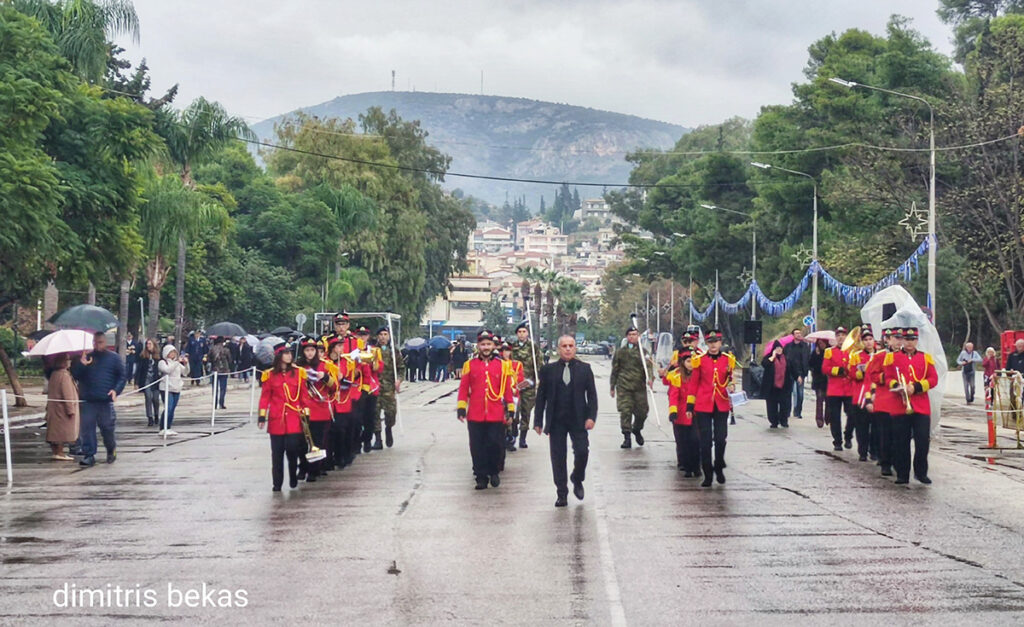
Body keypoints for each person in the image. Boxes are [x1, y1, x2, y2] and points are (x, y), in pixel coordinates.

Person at [532, 335, 597, 507]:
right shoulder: (548, 370)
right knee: (558, 457)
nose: (568, 349)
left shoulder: (585, 369)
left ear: (575, 348)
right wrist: (538, 420)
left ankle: (577, 477)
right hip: (556, 420)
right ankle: (562, 492)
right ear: (559, 349)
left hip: (578, 419)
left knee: (582, 451)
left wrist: (591, 417)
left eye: (571, 346)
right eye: (564, 346)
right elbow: (541, 397)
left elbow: (592, 396)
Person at [457, 330, 514, 490]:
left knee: (495, 445)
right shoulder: (470, 365)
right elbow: (463, 388)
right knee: (477, 446)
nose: (486, 347)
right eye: (483, 344)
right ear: (478, 346)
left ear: (493, 346)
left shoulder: (502, 365)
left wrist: (510, 409)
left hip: (496, 414)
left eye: (488, 344)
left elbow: (507, 390)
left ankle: (494, 471)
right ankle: (480, 477)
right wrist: (461, 408)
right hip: (475, 413)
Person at [883, 327, 938, 485]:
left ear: (917, 340)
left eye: (912, 340)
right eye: (907, 340)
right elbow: (888, 378)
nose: (909, 343)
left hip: (920, 405)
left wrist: (916, 387)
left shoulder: (925, 358)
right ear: (902, 340)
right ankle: (902, 473)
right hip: (900, 404)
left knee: (922, 441)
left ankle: (920, 472)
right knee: (901, 441)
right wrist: (898, 386)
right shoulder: (892, 357)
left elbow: (933, 379)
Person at [258, 342, 311, 492]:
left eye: (290, 353)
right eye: (286, 353)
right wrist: (262, 416)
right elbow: (265, 398)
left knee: (292, 450)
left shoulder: (299, 373)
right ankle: (277, 483)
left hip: (294, 418)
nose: (289, 356)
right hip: (277, 420)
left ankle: (293, 475)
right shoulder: (269, 375)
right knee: (277, 454)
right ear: (279, 356)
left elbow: (304, 396)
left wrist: (306, 415)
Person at [688, 329, 735, 487]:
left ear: (720, 343)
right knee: (705, 441)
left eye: (716, 342)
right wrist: (690, 405)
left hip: (721, 403)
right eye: (710, 342)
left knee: (721, 439)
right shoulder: (699, 360)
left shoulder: (728, 360)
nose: (713, 345)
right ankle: (707, 473)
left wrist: (731, 385)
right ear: (706, 344)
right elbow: (694, 383)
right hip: (703, 404)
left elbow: (730, 378)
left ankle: (719, 466)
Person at [70, 332, 125, 467]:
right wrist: (82, 364)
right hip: (88, 399)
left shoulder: (114, 358)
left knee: (107, 428)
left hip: (105, 400)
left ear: (105, 342)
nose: (97, 345)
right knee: (87, 429)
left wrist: (116, 390)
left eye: (100, 342)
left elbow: (122, 376)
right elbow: (75, 375)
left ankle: (111, 449)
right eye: (95, 342)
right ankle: (89, 454)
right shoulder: (86, 357)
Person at [296, 337, 336, 482]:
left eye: (312, 350)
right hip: (303, 408)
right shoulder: (297, 367)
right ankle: (303, 466)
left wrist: (324, 377)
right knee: (301, 442)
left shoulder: (325, 366)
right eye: (307, 350)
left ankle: (313, 470)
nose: (310, 353)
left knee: (318, 442)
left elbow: (334, 387)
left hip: (319, 408)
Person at [610, 327, 654, 449]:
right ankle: (627, 437)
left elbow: (649, 367)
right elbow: (615, 370)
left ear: (638, 336)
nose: (632, 337)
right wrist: (612, 386)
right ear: (626, 336)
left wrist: (650, 379)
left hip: (639, 387)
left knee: (642, 413)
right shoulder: (620, 352)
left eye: (635, 334)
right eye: (630, 334)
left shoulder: (643, 352)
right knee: (625, 412)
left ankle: (637, 429)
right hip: (624, 387)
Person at [865, 328, 901, 476]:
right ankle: (885, 462)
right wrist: (890, 379)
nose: (898, 341)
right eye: (895, 337)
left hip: (901, 401)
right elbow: (873, 375)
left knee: (899, 436)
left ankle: (898, 462)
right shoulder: (880, 356)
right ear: (887, 339)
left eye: (900, 338)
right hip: (885, 400)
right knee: (885, 434)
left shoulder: (906, 356)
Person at [847, 326, 879, 462]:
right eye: (865, 340)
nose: (868, 342)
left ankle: (874, 450)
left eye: (870, 339)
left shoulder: (881, 355)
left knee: (876, 426)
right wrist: (862, 372)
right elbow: (851, 373)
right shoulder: (856, 356)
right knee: (862, 426)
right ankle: (863, 451)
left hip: (877, 394)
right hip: (860, 394)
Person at [667, 348, 700, 476]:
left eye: (693, 361)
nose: (691, 364)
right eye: (688, 361)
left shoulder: (700, 376)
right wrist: (673, 411)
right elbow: (674, 396)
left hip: (697, 413)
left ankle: (696, 466)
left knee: (696, 440)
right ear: (683, 362)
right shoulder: (677, 377)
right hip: (681, 414)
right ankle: (687, 467)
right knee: (684, 442)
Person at [511, 322, 543, 450]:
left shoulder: (533, 347)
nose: (522, 334)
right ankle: (513, 435)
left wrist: (541, 379)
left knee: (526, 412)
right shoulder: (512, 347)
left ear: (528, 333)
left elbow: (539, 364)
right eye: (519, 332)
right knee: (514, 412)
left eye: (524, 332)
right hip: (515, 385)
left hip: (529, 385)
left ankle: (523, 438)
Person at [822, 326, 854, 452]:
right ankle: (837, 441)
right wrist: (837, 370)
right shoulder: (829, 351)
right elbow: (825, 368)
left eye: (843, 335)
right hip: (834, 389)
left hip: (849, 389)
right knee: (835, 417)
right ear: (835, 338)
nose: (841, 337)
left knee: (852, 415)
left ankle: (848, 435)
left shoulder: (852, 351)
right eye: (838, 335)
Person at [45, 354, 79, 461]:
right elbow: (67, 394)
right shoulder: (64, 376)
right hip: (62, 410)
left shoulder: (54, 374)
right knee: (61, 432)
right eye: (68, 359)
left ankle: (56, 451)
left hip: (54, 408)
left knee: (55, 431)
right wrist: (71, 410)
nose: (69, 361)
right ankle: (60, 452)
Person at [376, 327, 404, 449]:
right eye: (380, 334)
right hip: (375, 387)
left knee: (390, 412)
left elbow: (401, 368)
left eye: (385, 334)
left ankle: (388, 428)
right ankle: (377, 439)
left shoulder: (394, 351)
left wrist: (399, 380)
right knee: (374, 413)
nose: (383, 337)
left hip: (389, 387)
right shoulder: (373, 350)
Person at [760, 340, 794, 428]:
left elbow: (791, 369)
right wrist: (772, 357)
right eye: (777, 348)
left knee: (784, 404)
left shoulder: (786, 358)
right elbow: (764, 364)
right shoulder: (769, 357)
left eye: (780, 348)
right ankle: (774, 421)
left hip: (784, 385)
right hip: (771, 386)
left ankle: (784, 420)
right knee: (772, 405)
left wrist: (798, 376)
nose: (779, 350)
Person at [157, 345, 188, 435]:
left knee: (173, 409)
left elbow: (185, 372)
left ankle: (169, 426)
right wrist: (177, 362)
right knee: (168, 408)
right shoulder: (163, 362)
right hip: (166, 388)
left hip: (176, 388)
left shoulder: (176, 363)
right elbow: (167, 370)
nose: (173, 354)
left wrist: (186, 364)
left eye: (174, 352)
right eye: (171, 352)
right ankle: (163, 427)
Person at [783, 328, 810, 420]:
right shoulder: (788, 347)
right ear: (793, 335)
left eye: (800, 333)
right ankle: (787, 411)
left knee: (800, 393)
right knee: (790, 393)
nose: (799, 334)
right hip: (790, 372)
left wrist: (805, 371)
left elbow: (807, 359)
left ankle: (798, 411)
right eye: (797, 333)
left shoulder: (805, 346)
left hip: (801, 373)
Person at [135, 338, 162, 427]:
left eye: (150, 344)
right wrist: (137, 382)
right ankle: (150, 417)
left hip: (155, 379)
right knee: (148, 397)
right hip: (146, 378)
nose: (148, 346)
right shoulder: (143, 356)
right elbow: (139, 369)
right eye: (147, 344)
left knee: (155, 399)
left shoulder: (158, 356)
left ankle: (156, 415)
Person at [808, 339, 830, 429]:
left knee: (829, 400)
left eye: (823, 343)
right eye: (820, 343)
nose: (822, 345)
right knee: (819, 399)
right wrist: (816, 356)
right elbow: (810, 364)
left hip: (828, 380)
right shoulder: (815, 352)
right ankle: (819, 419)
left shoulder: (829, 352)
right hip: (818, 379)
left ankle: (828, 417)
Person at [207, 336, 232, 410]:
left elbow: (209, 359)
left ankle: (214, 403)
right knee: (223, 388)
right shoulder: (226, 350)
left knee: (215, 388)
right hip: (224, 370)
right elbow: (230, 359)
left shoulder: (212, 349)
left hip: (215, 369)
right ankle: (221, 403)